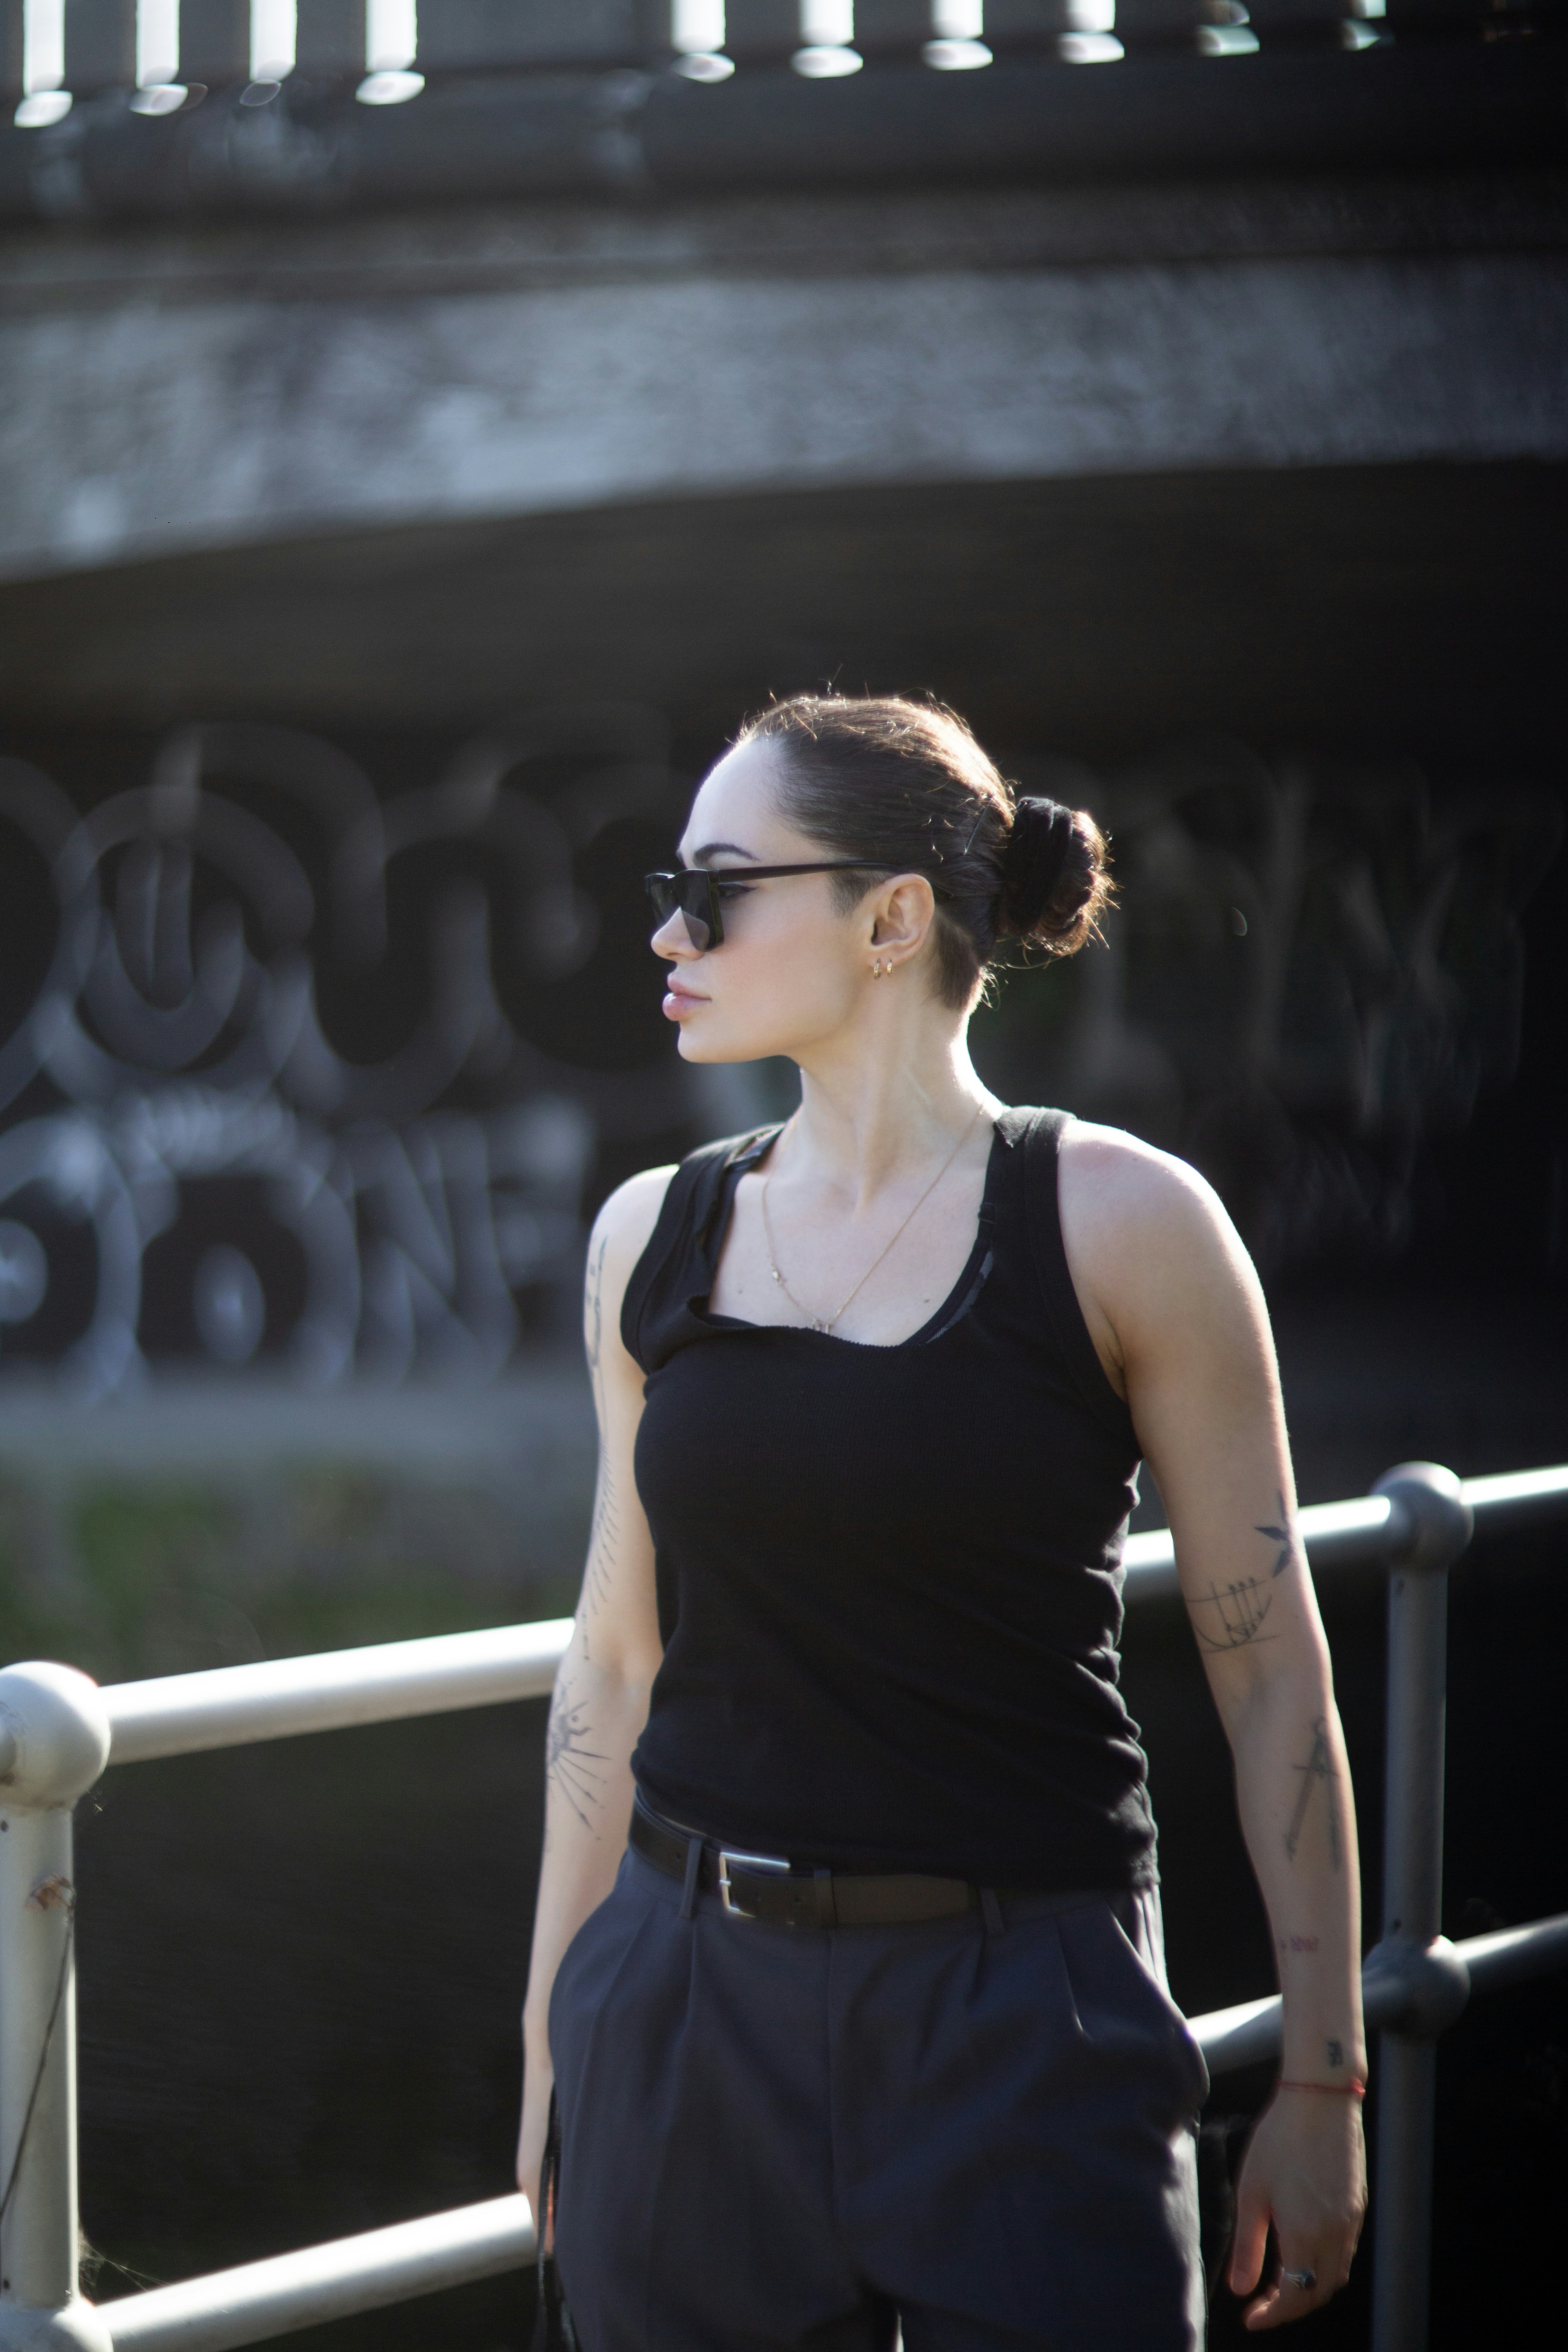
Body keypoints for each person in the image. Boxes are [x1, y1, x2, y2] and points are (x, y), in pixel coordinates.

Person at [516, 695, 1367, 2350]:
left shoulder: (1128, 1226)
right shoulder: (651, 1238)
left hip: (1026, 2018)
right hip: (684, 2012)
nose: (669, 929)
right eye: (667, 884)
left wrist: (1327, 2077)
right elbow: (612, 1665)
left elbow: (1272, 1683)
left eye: (722, 884)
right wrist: (563, 2034)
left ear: (893, 919)